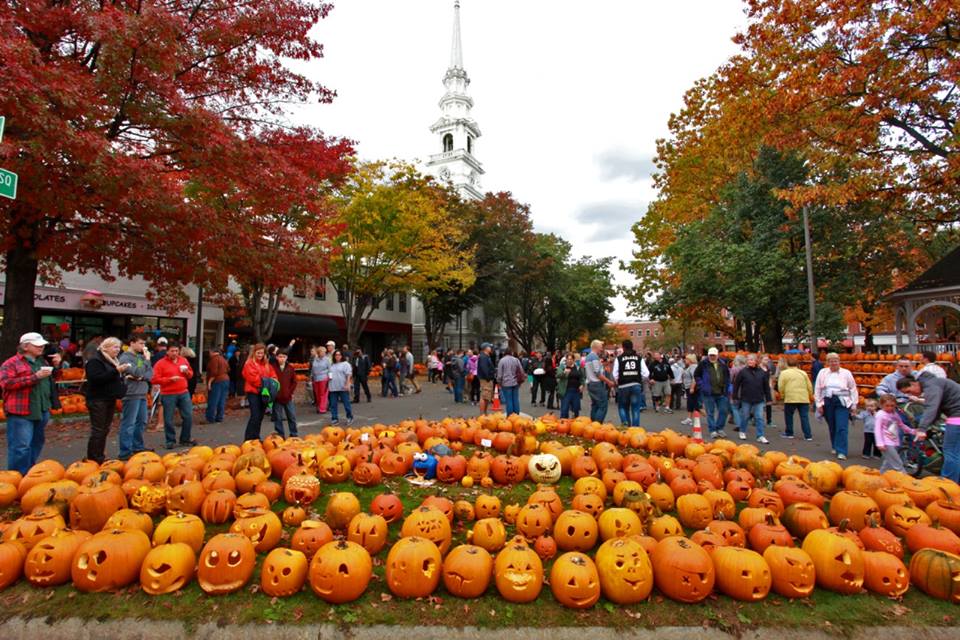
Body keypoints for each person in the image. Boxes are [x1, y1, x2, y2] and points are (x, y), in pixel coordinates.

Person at [0, 332, 60, 473]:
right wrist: (34, 377)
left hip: (41, 409)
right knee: (21, 447)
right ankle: (17, 476)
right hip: (20, 411)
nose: (41, 347)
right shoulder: (11, 363)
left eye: (42, 345)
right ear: (25, 346)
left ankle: (29, 472)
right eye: (37, 345)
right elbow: (6, 383)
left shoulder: (43, 362)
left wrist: (56, 366)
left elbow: (53, 379)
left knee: (36, 442)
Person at [897, 373, 960, 482]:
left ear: (914, 383)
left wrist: (921, 429)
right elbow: (937, 410)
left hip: (957, 417)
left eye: (908, 391)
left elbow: (931, 407)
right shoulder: (936, 383)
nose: (910, 395)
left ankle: (948, 483)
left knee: (950, 451)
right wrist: (927, 427)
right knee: (956, 452)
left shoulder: (931, 386)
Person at [83, 337, 128, 462]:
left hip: (109, 397)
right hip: (98, 399)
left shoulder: (112, 361)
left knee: (105, 428)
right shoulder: (95, 361)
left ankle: (100, 454)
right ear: (106, 347)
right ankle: (94, 457)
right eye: (114, 347)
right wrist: (116, 371)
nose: (117, 350)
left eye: (118, 347)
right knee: (98, 429)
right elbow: (96, 379)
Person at [152, 341, 197, 449]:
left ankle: (185, 438)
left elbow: (191, 374)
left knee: (188, 416)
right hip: (168, 393)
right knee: (168, 418)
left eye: (176, 351)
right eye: (172, 351)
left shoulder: (183, 360)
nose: (174, 353)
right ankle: (170, 440)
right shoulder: (160, 363)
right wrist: (168, 380)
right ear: (167, 351)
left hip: (183, 392)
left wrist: (187, 373)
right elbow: (154, 379)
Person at [814, 352, 859, 460]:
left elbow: (853, 389)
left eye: (836, 360)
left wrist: (854, 405)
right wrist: (819, 404)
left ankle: (842, 451)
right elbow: (818, 389)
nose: (834, 363)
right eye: (831, 361)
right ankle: (835, 444)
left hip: (842, 401)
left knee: (841, 426)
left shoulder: (846, 373)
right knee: (832, 425)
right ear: (827, 362)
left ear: (839, 361)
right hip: (828, 400)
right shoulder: (822, 372)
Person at [118, 335, 154, 460]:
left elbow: (149, 373)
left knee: (141, 421)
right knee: (129, 423)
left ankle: (137, 446)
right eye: (140, 343)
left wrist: (141, 376)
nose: (143, 346)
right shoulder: (125, 358)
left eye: (144, 344)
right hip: (131, 393)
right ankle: (125, 451)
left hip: (142, 392)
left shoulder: (139, 357)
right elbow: (137, 371)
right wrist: (146, 361)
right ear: (132, 343)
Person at [874, 393, 925, 473]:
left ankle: (880, 475)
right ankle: (906, 480)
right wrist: (880, 443)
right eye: (887, 406)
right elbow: (877, 430)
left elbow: (901, 424)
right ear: (881, 405)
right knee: (898, 463)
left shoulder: (894, 414)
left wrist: (912, 431)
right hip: (886, 442)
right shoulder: (880, 415)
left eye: (892, 406)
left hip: (894, 440)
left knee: (888, 462)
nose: (890, 408)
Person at [732, 353, 772, 444]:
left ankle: (760, 435)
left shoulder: (761, 372)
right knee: (745, 416)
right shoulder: (743, 372)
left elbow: (766, 386)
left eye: (752, 360)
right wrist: (735, 396)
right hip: (746, 398)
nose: (750, 361)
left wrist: (768, 398)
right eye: (749, 360)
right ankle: (742, 431)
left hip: (759, 398)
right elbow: (736, 384)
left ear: (756, 361)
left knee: (759, 417)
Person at [692, 347, 731, 438]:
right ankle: (712, 430)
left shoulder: (723, 364)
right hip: (708, 392)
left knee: (723, 411)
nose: (712, 357)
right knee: (710, 412)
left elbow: (727, 376)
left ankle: (719, 428)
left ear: (717, 355)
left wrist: (727, 387)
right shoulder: (703, 364)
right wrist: (702, 385)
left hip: (722, 392)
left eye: (714, 355)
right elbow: (696, 375)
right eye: (710, 355)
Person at [241, 343, 277, 441]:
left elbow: (273, 375)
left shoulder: (266, 364)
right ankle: (249, 438)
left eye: (262, 353)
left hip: (264, 393)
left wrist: (272, 382)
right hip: (254, 392)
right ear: (254, 353)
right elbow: (253, 379)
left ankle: (256, 437)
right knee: (255, 416)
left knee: (260, 416)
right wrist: (266, 383)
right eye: (258, 353)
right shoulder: (249, 363)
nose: (260, 355)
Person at [777, 355, 814, 440]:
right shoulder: (803, 373)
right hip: (803, 397)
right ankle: (808, 435)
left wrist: (782, 395)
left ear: (787, 364)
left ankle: (789, 433)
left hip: (790, 397)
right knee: (804, 417)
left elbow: (781, 386)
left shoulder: (784, 373)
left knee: (789, 416)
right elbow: (809, 385)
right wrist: (810, 394)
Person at [614, 340, 645, 427]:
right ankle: (635, 429)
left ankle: (626, 426)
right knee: (635, 409)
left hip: (623, 385)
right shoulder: (639, 358)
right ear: (632, 346)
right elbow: (646, 373)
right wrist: (638, 378)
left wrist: (617, 379)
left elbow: (615, 373)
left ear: (623, 347)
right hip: (636, 385)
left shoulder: (619, 359)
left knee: (623, 407)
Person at [584, 340, 616, 423]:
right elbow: (598, 373)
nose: (602, 349)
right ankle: (597, 424)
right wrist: (609, 381)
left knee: (595, 405)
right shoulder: (594, 357)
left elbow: (593, 370)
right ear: (596, 347)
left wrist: (603, 364)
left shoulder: (588, 357)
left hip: (590, 383)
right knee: (603, 405)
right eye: (601, 347)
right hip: (596, 384)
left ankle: (592, 424)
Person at [269, 350, 298, 437]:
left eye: (284, 357)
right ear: (277, 357)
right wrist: (273, 393)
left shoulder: (290, 368)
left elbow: (294, 381)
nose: (282, 359)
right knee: (278, 417)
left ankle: (294, 434)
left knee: (291, 416)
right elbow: (270, 381)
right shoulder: (272, 367)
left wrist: (290, 392)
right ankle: (280, 435)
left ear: (286, 358)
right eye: (280, 357)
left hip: (287, 397)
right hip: (277, 397)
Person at [328, 350, 354, 425]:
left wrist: (347, 384)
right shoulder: (332, 365)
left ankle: (349, 417)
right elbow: (329, 374)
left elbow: (348, 375)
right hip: (333, 387)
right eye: (336, 355)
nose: (337, 356)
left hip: (343, 387)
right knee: (333, 404)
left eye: (339, 355)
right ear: (334, 356)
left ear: (342, 356)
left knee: (346, 403)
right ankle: (334, 418)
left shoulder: (345, 364)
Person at [204, 346, 229, 423]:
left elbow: (214, 372)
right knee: (222, 399)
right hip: (226, 379)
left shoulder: (214, 360)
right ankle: (219, 417)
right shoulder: (223, 359)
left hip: (217, 381)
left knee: (213, 400)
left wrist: (209, 382)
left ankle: (210, 417)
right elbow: (228, 369)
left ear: (212, 352)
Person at [496, 350, 525, 416]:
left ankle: (510, 415)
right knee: (515, 399)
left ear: (504, 353)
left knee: (508, 400)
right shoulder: (516, 360)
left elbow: (499, 374)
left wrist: (499, 382)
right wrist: (521, 380)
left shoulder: (502, 361)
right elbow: (521, 370)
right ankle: (517, 414)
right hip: (515, 382)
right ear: (511, 353)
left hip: (506, 383)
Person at [558, 352, 582, 418]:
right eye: (568, 359)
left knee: (576, 409)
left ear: (573, 360)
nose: (569, 360)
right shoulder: (562, 366)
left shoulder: (577, 367)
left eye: (571, 359)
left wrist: (582, 384)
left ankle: (574, 423)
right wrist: (564, 373)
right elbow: (558, 375)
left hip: (576, 391)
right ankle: (564, 422)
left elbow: (582, 377)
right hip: (566, 390)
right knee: (564, 409)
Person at [477, 343, 496, 414]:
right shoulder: (483, 357)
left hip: (488, 378)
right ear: (485, 348)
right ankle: (482, 413)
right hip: (485, 379)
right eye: (489, 347)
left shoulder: (486, 356)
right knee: (484, 396)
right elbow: (484, 368)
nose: (491, 348)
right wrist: (488, 377)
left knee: (487, 396)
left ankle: (484, 412)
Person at [681, 354, 700, 426]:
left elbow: (694, 377)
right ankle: (689, 418)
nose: (685, 360)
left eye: (686, 359)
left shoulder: (693, 367)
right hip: (688, 386)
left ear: (690, 360)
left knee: (693, 403)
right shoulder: (690, 367)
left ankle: (690, 418)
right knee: (691, 403)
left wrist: (692, 387)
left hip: (691, 387)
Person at [310, 346, 330, 412]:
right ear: (319, 352)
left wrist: (330, 377)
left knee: (323, 394)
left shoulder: (327, 359)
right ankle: (319, 406)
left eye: (324, 352)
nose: (324, 353)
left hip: (324, 378)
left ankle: (322, 408)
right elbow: (312, 369)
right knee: (317, 394)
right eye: (322, 352)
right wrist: (311, 376)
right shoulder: (315, 359)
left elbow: (330, 369)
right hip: (315, 378)